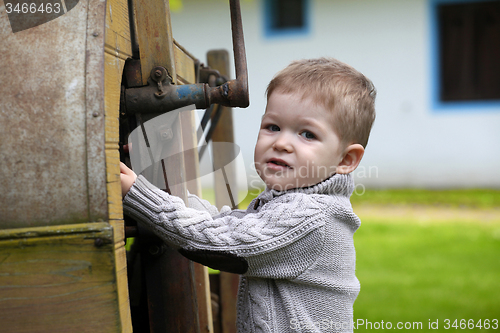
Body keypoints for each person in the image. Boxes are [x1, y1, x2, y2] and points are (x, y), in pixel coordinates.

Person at [120, 57, 376, 333]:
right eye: (273, 127)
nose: (281, 143)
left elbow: (217, 242)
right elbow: (224, 224)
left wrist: (137, 193)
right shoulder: (293, 202)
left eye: (307, 134)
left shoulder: (310, 217)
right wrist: (153, 184)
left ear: (347, 159)